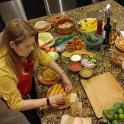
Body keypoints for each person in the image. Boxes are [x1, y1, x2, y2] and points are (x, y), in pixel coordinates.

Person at [0, 19, 73, 124]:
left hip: (26, 87)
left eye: (32, 44)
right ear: (12, 45)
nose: (32, 48)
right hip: (16, 98)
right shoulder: (3, 72)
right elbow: (16, 105)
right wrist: (48, 100)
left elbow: (45, 58)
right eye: (27, 46)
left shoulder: (28, 48)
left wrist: (63, 75)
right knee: (32, 118)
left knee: (35, 99)